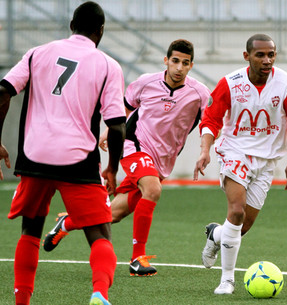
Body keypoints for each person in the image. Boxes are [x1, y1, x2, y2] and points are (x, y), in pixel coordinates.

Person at [43, 39, 211, 276]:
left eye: (185, 63)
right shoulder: (145, 82)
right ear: (166, 61)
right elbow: (124, 108)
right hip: (134, 145)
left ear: (191, 65)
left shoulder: (199, 93)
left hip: (163, 160)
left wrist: (205, 150)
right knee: (152, 190)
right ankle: (137, 259)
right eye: (175, 61)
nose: (179, 68)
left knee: (113, 214)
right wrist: (109, 132)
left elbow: (209, 123)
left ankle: (67, 223)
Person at [0, 2, 126, 305]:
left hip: (34, 156)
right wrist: (112, 168)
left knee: (30, 231)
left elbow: (3, 92)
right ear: (100, 31)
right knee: (100, 236)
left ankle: (21, 302)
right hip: (78, 161)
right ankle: (99, 294)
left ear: (71, 24)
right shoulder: (107, 64)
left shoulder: (37, 53)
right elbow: (118, 126)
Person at [193, 33, 287, 294]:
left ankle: (216, 235)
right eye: (260, 55)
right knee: (236, 211)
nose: (267, 60)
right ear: (247, 57)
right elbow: (210, 119)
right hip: (236, 153)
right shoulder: (230, 83)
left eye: (271, 54)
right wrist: (205, 150)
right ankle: (227, 280)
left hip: (267, 161)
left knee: (242, 225)